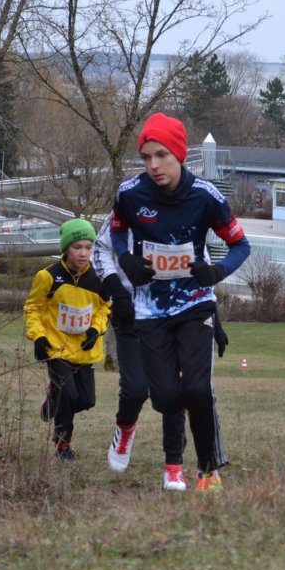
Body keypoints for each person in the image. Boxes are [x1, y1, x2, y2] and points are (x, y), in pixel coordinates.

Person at [110, 112, 250, 492]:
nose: (154, 165)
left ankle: (208, 470)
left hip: (194, 304)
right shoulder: (130, 194)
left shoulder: (206, 197)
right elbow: (117, 231)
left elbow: (241, 245)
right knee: (166, 398)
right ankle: (175, 444)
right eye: (146, 157)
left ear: (180, 155)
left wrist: (217, 271)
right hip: (150, 310)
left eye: (162, 155)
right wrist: (125, 259)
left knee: (198, 391)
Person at [93, 219, 229, 491]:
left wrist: (214, 319)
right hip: (131, 312)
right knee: (136, 389)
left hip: (178, 312)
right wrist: (118, 292)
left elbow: (201, 270)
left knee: (187, 390)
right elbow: (99, 250)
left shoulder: (188, 214)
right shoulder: (128, 207)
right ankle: (125, 427)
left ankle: (179, 467)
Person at [24, 218, 110, 462]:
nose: (83, 253)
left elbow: (105, 307)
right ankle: (63, 447)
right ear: (65, 249)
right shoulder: (48, 276)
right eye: (77, 247)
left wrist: (95, 330)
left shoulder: (99, 277)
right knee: (68, 395)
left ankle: (53, 398)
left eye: (88, 247)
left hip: (84, 349)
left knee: (86, 400)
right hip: (56, 347)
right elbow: (32, 308)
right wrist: (39, 337)